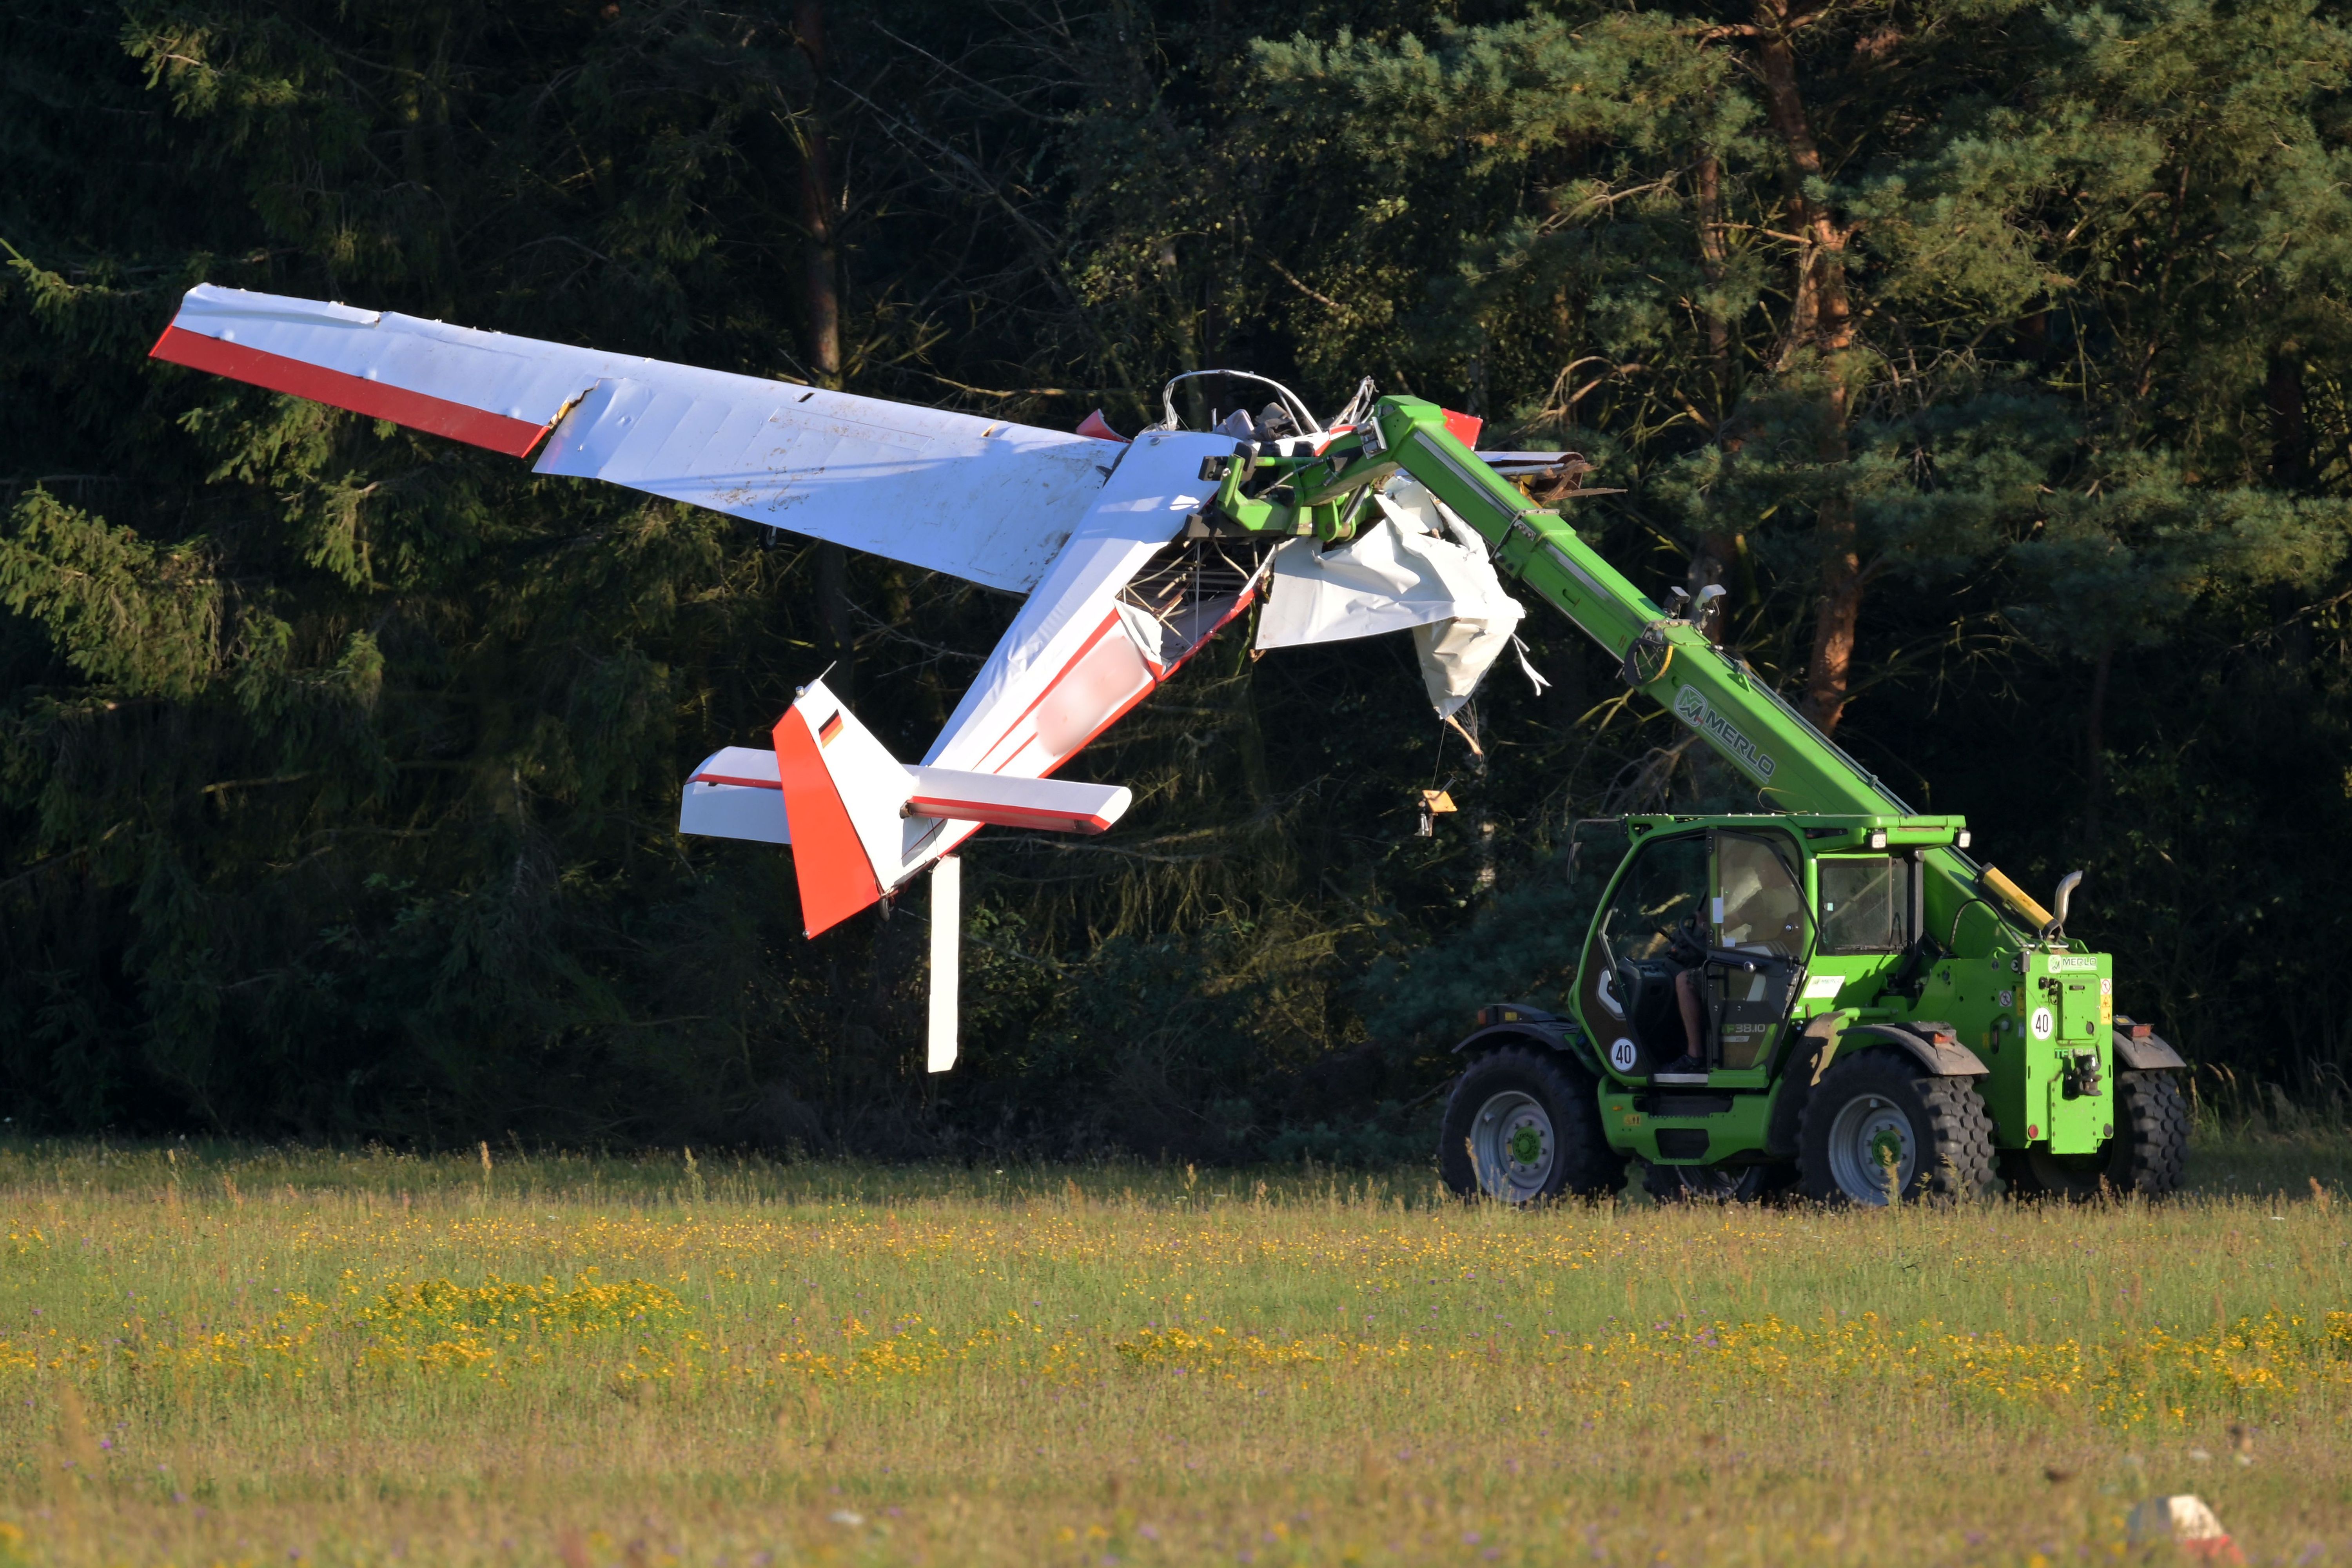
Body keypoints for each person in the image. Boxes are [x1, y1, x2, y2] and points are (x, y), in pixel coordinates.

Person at [1657, 912, 1710, 1078]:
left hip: (1746, 970)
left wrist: (1703, 924)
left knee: (1684, 980)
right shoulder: (1785, 896)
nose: (1760, 883)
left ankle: (1695, 1056)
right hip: (1760, 964)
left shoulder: (1762, 900)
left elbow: (1727, 926)